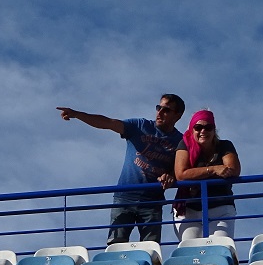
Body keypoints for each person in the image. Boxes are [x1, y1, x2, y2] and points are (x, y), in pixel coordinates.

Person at [57, 94, 185, 244]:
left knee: (151, 250)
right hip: (124, 197)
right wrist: (77, 114)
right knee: (115, 246)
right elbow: (109, 123)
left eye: (166, 110)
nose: (160, 112)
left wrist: (170, 176)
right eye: (159, 108)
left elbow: (180, 170)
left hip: (152, 202)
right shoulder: (140, 126)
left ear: (177, 115)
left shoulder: (180, 142)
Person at [173, 109, 240, 240]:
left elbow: (233, 169)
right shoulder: (184, 145)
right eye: (198, 127)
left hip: (221, 207)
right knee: (190, 250)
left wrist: (195, 174)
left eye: (208, 127)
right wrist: (214, 170)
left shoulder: (224, 145)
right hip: (189, 208)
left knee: (221, 246)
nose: (203, 131)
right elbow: (181, 174)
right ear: (192, 130)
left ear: (214, 130)